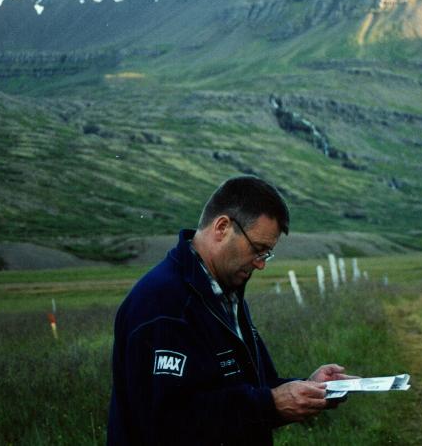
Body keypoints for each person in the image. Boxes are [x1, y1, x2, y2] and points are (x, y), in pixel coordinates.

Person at [107, 175, 354, 445]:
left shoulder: (225, 293)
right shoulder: (163, 305)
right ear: (222, 227)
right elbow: (168, 421)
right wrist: (270, 406)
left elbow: (254, 389)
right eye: (258, 250)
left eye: (266, 254)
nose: (261, 265)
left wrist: (311, 388)